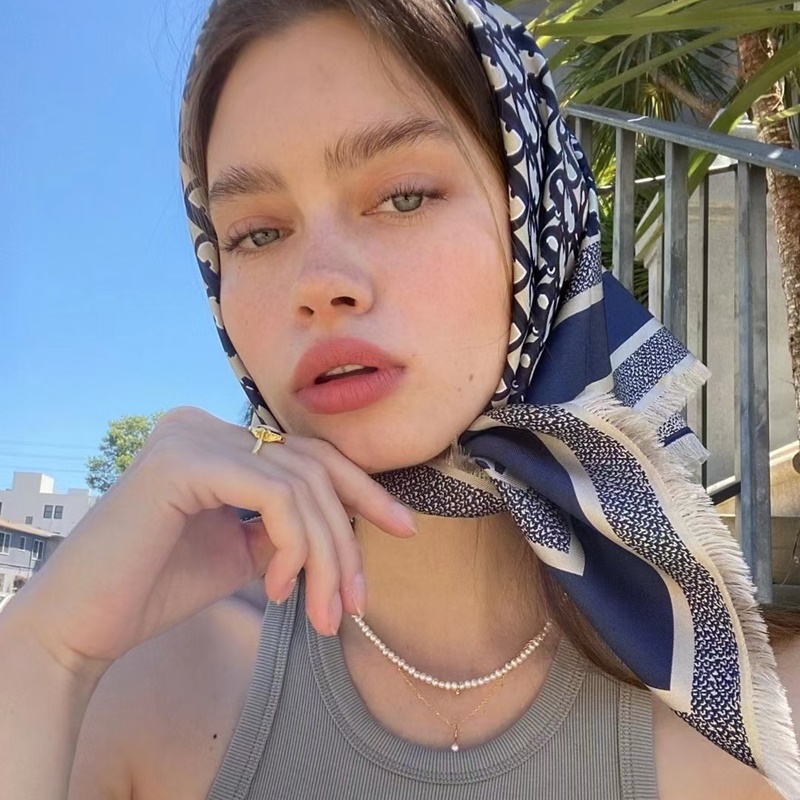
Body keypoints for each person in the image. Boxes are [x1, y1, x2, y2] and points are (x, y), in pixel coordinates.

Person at [2, 0, 799, 797]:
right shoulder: (144, 691)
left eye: (406, 196)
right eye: (257, 233)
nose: (320, 283)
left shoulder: (760, 722)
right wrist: (42, 652)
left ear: (538, 224)